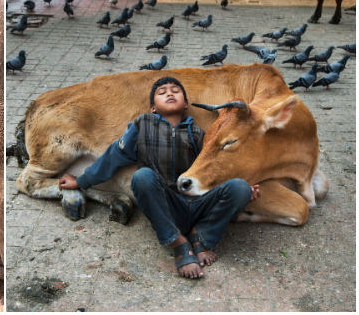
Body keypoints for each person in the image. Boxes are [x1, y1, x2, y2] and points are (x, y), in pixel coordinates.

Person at [58, 77, 260, 279]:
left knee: (240, 187)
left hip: (198, 204)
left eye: (175, 91)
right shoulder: (143, 125)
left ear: (186, 104)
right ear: (153, 107)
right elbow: (113, 156)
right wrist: (80, 181)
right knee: (142, 176)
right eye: (162, 92)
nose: (169, 93)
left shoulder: (198, 134)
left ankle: (201, 237)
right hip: (166, 206)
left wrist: (245, 192)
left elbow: (213, 168)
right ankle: (178, 242)